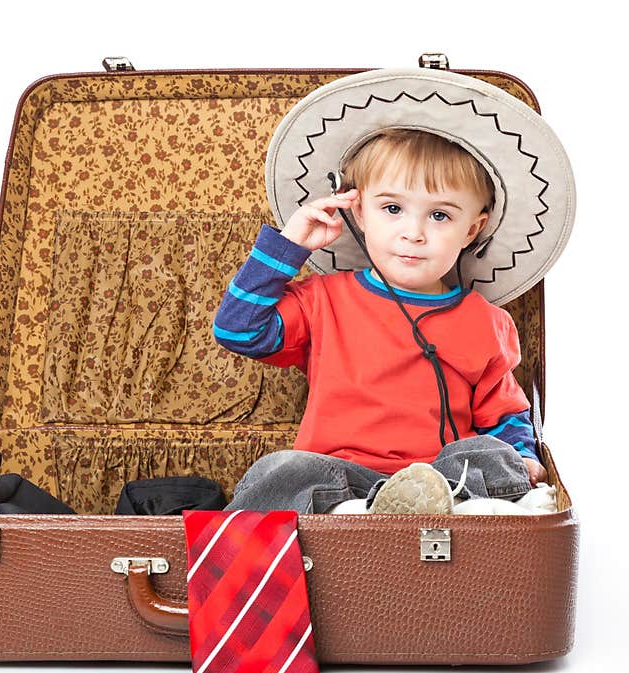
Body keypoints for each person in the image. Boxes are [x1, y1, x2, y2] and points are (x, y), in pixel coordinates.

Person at [213, 128, 551, 515]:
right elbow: (238, 329)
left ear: (471, 230)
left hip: (441, 480)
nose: (413, 233)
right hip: (338, 478)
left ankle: (431, 509)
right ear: (359, 213)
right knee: (283, 468)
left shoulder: (486, 321)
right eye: (392, 209)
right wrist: (289, 246)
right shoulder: (322, 298)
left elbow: (504, 414)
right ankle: (363, 511)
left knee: (489, 454)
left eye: (440, 215)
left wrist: (523, 459)